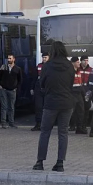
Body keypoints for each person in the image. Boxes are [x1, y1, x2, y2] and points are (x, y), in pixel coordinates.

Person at [32, 41, 75, 172]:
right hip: (67, 103)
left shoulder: (47, 65)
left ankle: (40, 162)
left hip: (51, 103)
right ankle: (60, 163)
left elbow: (42, 83)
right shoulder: (69, 65)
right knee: (63, 133)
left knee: (45, 132)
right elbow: (71, 83)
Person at [0, 54, 22, 129]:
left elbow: (20, 80)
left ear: (14, 59)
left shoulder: (18, 69)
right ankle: (3, 123)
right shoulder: (3, 67)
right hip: (4, 89)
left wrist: (16, 88)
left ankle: (11, 123)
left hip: (12, 90)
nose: (8, 60)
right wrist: (0, 85)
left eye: (10, 58)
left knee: (11, 107)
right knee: (4, 107)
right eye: (8, 58)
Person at [30, 52, 49, 131]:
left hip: (48, 88)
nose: (44, 59)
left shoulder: (51, 66)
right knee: (38, 107)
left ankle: (46, 125)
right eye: (43, 57)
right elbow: (34, 78)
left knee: (47, 108)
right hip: (38, 88)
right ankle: (38, 124)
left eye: (46, 57)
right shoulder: (39, 66)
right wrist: (32, 88)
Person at [69, 57, 87, 134]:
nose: (79, 63)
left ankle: (79, 128)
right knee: (71, 112)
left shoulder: (79, 71)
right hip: (72, 94)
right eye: (77, 62)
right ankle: (70, 126)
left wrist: (84, 93)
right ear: (72, 63)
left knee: (81, 111)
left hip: (79, 93)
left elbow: (81, 84)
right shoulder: (69, 72)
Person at [78, 55, 92, 130]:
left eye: (87, 60)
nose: (86, 62)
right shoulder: (77, 69)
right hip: (79, 91)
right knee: (79, 109)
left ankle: (84, 125)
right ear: (81, 61)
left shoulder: (91, 70)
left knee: (86, 108)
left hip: (87, 91)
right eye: (84, 60)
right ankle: (77, 126)